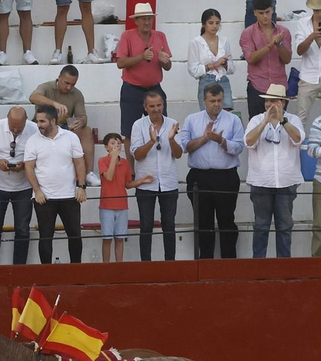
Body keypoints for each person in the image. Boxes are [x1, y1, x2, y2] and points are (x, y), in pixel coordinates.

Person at [179, 83, 245, 259]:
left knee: (227, 221)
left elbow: (239, 147)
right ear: (204, 101)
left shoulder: (233, 120)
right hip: (199, 177)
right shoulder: (192, 120)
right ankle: (205, 262)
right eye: (213, 101)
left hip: (226, 177)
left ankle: (229, 263)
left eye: (220, 100)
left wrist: (221, 141)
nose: (217, 104)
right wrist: (205, 138)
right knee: (203, 222)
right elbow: (184, 146)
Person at [243, 84, 302, 259]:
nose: (269, 104)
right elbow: (248, 141)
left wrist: (282, 120)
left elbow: (298, 138)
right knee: (261, 226)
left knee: (284, 227)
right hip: (262, 182)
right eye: (267, 101)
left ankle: (284, 267)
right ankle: (259, 267)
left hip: (286, 182)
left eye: (273, 100)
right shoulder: (256, 120)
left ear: (283, 103)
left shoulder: (293, 120)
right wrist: (265, 122)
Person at [24, 104, 86, 264]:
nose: (39, 125)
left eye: (42, 121)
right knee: (45, 236)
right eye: (37, 121)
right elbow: (29, 168)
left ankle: (77, 271)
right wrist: (37, 191)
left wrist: (82, 187)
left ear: (53, 120)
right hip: (44, 197)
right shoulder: (32, 141)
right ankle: (46, 275)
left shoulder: (71, 137)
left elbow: (79, 163)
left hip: (70, 196)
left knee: (75, 235)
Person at [129, 90, 182, 262]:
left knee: (169, 225)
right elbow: (137, 155)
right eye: (151, 106)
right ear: (145, 107)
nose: (156, 109)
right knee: (146, 226)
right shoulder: (138, 125)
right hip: (146, 183)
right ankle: (146, 265)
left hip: (168, 181)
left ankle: (170, 263)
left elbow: (179, 154)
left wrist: (172, 140)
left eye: (158, 105)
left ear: (163, 105)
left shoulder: (173, 123)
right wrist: (152, 141)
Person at [0, 106, 35, 266]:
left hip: (23, 186)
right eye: (12, 128)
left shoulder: (34, 130)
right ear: (7, 119)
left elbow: (41, 156)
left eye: (20, 128)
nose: (16, 131)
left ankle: (19, 269)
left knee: (23, 229)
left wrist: (25, 165)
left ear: (26, 121)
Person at [30, 65, 95, 181]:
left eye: (73, 84)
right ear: (59, 78)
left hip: (65, 126)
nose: (69, 87)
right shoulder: (46, 86)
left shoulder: (77, 94)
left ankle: (89, 173)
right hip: (42, 125)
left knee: (86, 131)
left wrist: (80, 122)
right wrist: (54, 104)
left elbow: (83, 116)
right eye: (66, 83)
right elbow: (33, 97)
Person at [115, 3, 171, 137]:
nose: (147, 22)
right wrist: (141, 57)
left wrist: (165, 61)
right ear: (136, 21)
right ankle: (131, 159)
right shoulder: (127, 36)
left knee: (162, 128)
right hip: (132, 89)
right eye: (143, 18)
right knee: (129, 132)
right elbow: (120, 62)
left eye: (149, 18)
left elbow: (168, 67)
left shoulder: (160, 36)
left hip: (155, 88)